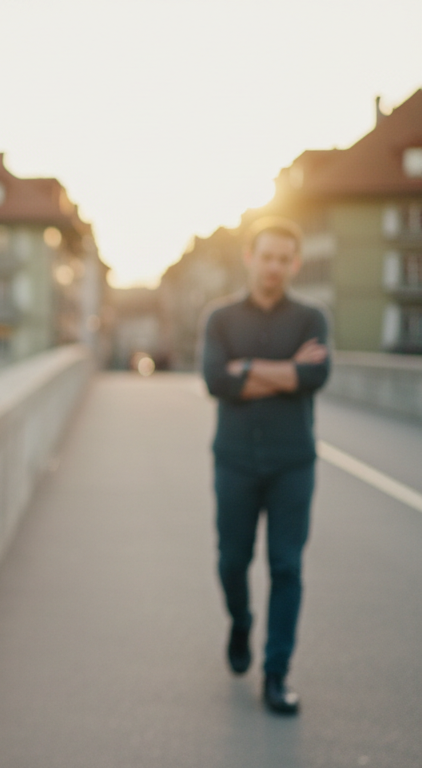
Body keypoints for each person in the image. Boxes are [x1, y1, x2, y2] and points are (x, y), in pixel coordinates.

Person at [200, 217, 330, 715]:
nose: (274, 267)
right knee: (232, 561)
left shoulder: (312, 318)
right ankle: (241, 621)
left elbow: (315, 376)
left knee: (286, 566)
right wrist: (288, 373)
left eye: (283, 259)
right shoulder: (220, 318)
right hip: (234, 461)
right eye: (266, 256)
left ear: (294, 264)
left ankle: (276, 674)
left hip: (292, 463)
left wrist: (248, 370)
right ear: (249, 258)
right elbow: (216, 381)